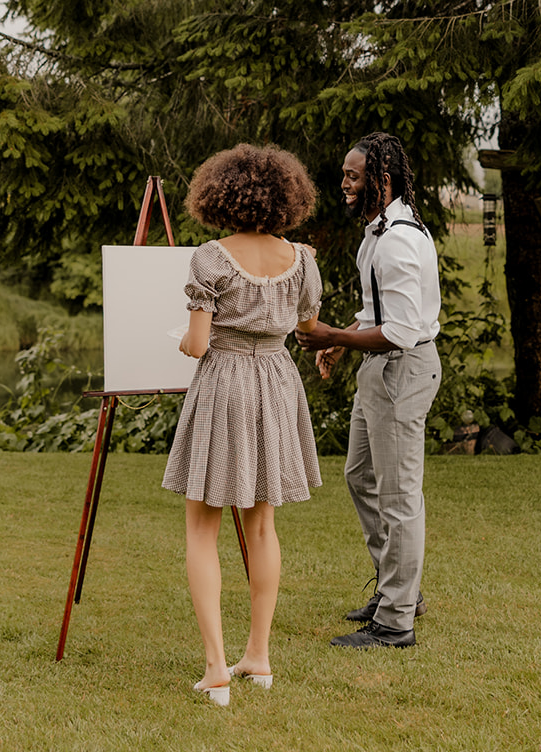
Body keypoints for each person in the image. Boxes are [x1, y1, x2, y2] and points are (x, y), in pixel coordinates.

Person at [162, 143, 323, 704]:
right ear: (287, 197)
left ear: (219, 195)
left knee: (202, 529)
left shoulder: (210, 256)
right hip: (277, 383)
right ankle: (259, 656)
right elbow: (306, 324)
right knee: (261, 528)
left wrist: (185, 340)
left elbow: (199, 342)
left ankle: (215, 669)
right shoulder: (303, 257)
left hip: (225, 386)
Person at [296, 131, 441, 650]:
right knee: (361, 475)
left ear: (381, 179)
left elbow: (402, 331)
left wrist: (334, 335)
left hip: (402, 367)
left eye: (352, 176)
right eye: (344, 175)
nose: (344, 184)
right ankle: (398, 590)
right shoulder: (379, 231)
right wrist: (344, 338)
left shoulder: (399, 239)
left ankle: (396, 622)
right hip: (380, 368)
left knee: (400, 496)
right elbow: (381, 313)